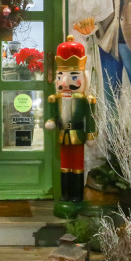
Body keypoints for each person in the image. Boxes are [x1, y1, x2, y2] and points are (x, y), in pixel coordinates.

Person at [45, 35, 97, 217]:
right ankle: (65, 194)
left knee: (77, 166)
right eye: (61, 76)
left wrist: (90, 134)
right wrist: (52, 121)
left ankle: (77, 196)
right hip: (63, 135)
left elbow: (90, 118)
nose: (65, 83)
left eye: (73, 76)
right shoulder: (56, 99)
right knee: (65, 166)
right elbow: (53, 114)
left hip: (78, 135)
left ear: (84, 77)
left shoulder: (85, 101)